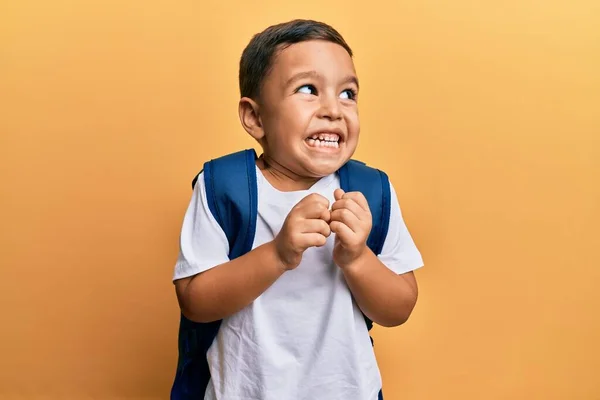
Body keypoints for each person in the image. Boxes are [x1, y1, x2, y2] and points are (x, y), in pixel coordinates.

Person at [172, 19, 424, 400]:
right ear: (255, 118)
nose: (333, 110)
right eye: (308, 89)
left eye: (348, 93)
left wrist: (357, 259)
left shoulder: (371, 191)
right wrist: (278, 253)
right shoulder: (222, 186)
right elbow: (194, 300)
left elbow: (399, 307)